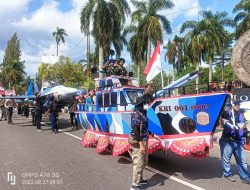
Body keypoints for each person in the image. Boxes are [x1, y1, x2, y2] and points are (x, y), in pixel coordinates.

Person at [129, 95, 160, 190]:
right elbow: (135, 129)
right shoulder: (136, 113)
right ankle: (134, 184)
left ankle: (140, 179)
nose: (147, 104)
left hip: (144, 139)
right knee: (138, 162)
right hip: (138, 140)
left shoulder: (142, 113)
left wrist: (153, 134)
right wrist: (141, 144)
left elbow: (144, 128)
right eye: (145, 103)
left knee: (144, 161)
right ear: (140, 104)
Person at [219, 99, 250, 184]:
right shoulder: (228, 113)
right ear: (232, 105)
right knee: (226, 159)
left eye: (239, 105)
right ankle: (228, 174)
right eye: (236, 105)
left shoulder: (241, 115)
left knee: (242, 160)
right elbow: (223, 118)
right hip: (227, 140)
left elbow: (243, 126)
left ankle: (245, 177)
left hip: (238, 141)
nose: (238, 106)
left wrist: (245, 134)